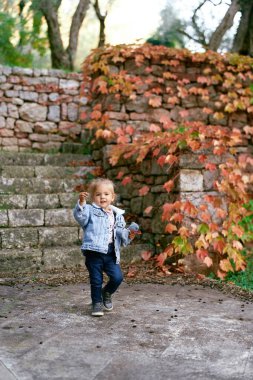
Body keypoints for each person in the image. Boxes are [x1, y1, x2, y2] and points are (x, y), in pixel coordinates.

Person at [73, 178, 139, 317]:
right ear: (93, 197)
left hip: (111, 252)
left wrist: (130, 233)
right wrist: (81, 203)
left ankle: (106, 292)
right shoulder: (90, 210)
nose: (102, 197)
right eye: (98, 194)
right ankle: (96, 302)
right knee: (96, 280)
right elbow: (81, 218)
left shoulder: (118, 215)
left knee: (117, 278)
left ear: (112, 197)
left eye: (106, 194)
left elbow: (121, 235)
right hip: (94, 252)